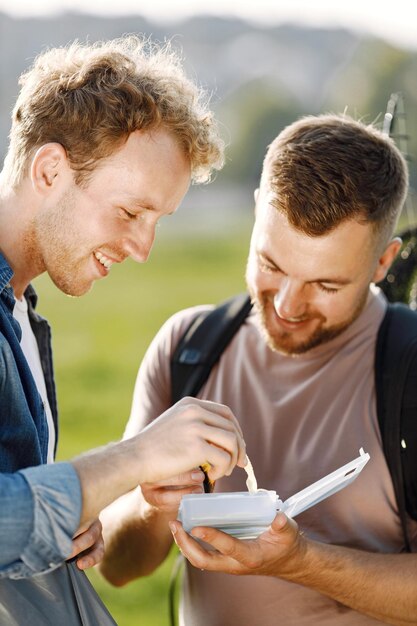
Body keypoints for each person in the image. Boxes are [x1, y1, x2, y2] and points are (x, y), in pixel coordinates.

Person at [98, 113, 417, 625]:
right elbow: (117, 567)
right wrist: (150, 503)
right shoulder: (190, 346)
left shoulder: (408, 369)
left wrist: (303, 562)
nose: (288, 305)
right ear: (256, 214)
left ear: (384, 263)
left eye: (326, 285)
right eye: (271, 265)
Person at [0, 35, 247, 623]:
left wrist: (73, 515)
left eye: (157, 222)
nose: (142, 248)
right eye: (131, 212)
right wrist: (136, 457)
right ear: (51, 169)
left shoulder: (24, 319)